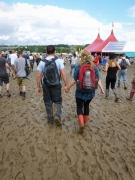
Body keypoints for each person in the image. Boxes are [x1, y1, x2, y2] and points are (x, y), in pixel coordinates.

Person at [64, 49, 104, 134]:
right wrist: (102, 89)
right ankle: (86, 123)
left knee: (79, 107)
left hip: (80, 91)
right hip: (91, 92)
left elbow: (75, 79)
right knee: (86, 105)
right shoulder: (94, 66)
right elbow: (97, 79)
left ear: (81, 56)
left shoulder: (78, 66)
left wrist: (67, 87)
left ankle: (81, 124)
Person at [36, 45, 68, 126]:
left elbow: (39, 76)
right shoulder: (59, 61)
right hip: (56, 85)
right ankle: (57, 115)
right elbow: (63, 74)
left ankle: (50, 119)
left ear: (46, 52)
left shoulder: (42, 62)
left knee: (47, 102)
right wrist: (66, 85)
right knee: (58, 101)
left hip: (46, 85)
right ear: (55, 52)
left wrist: (38, 87)